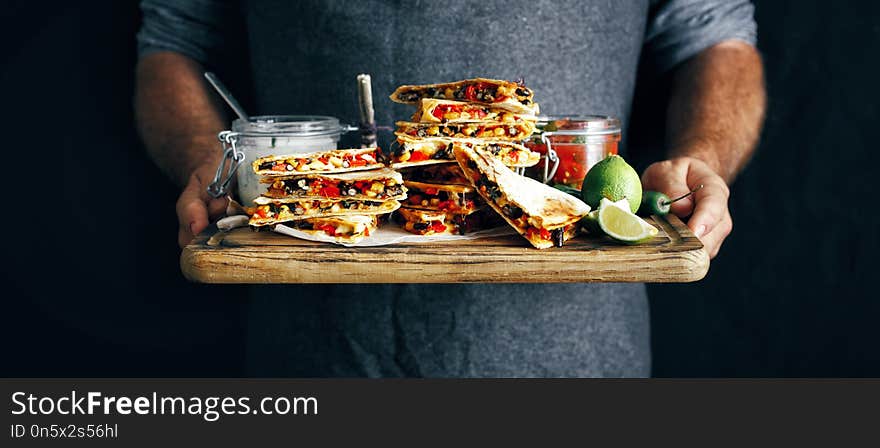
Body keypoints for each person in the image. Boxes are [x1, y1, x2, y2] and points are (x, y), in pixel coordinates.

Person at [135, 0, 765, 377]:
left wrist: (700, 157)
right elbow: (172, 39)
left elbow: (715, 32)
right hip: (311, 350)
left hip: (573, 355)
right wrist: (212, 164)